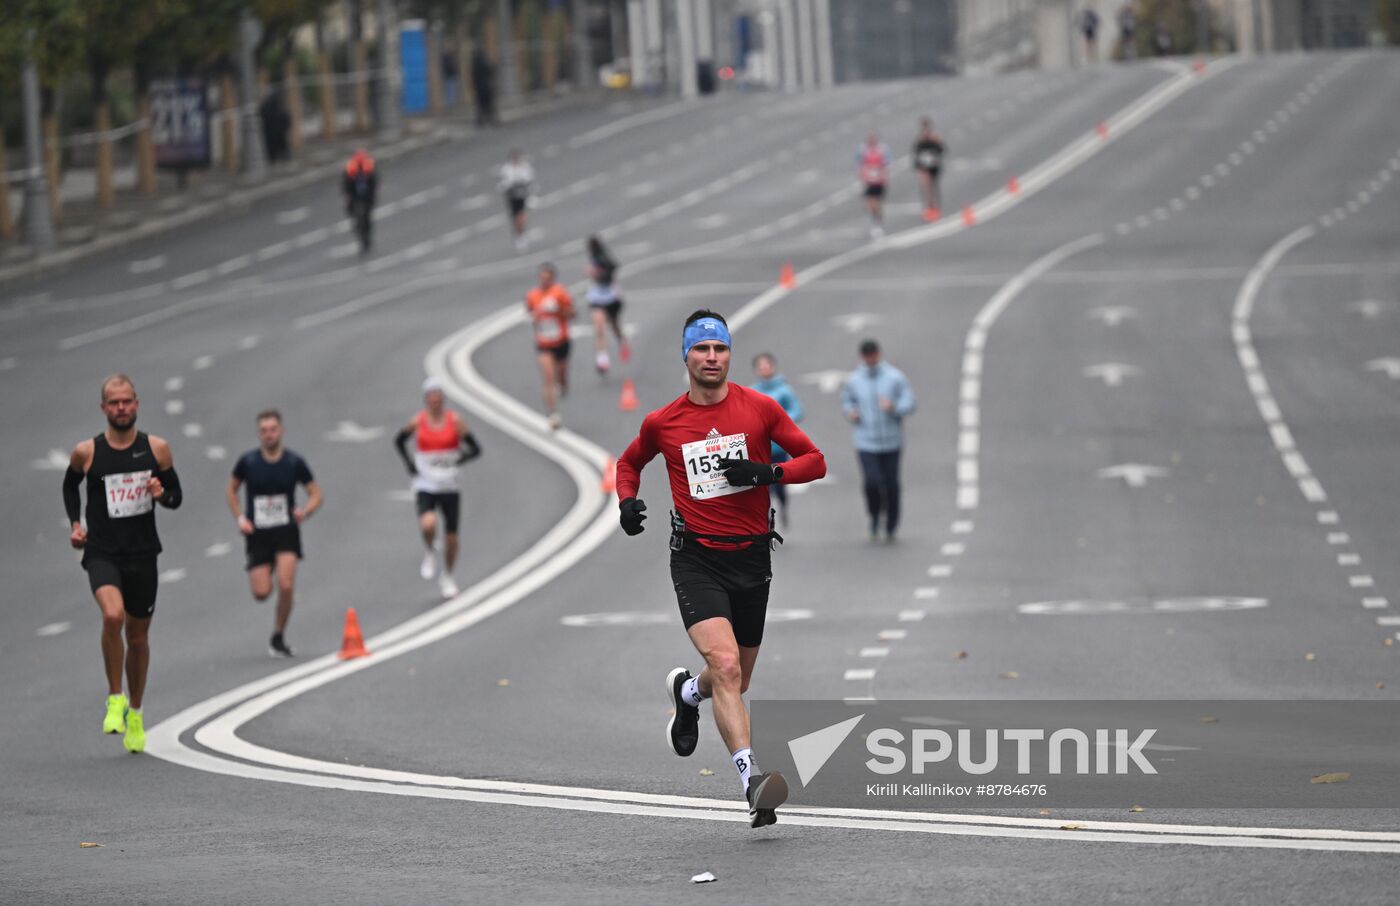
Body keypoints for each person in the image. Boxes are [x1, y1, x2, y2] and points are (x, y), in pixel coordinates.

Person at [615, 310, 826, 828]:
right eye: (702, 350)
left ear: (729, 354)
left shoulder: (759, 409)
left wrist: (766, 471)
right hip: (697, 558)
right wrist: (627, 502)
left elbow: (815, 459)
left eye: (720, 349)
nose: (712, 358)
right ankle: (752, 782)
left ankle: (687, 694)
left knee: (738, 678)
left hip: (752, 557)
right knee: (727, 666)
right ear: (685, 357)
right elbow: (628, 464)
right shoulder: (662, 423)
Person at [62, 374, 183, 754]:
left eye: (127, 401)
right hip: (102, 552)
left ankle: (136, 711)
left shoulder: (156, 449)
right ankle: (115, 697)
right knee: (112, 616)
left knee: (139, 638)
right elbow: (70, 486)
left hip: (143, 554)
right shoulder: (88, 452)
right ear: (103, 408)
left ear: (137, 404)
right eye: (114, 402)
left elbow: (177, 496)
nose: (121, 408)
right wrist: (76, 524)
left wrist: (162, 495)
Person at [227, 410, 323, 657]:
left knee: (286, 584)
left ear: (281, 431)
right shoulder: (248, 462)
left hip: (286, 531)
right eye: (264, 431)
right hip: (258, 534)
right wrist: (240, 518)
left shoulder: (293, 462)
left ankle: (278, 635)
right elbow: (231, 490)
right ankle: (266, 565)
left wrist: (305, 512)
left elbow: (316, 494)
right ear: (259, 434)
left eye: (272, 430)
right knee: (262, 593)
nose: (268, 435)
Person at [394, 378, 482, 598]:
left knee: (452, 536)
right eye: (431, 399)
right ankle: (430, 550)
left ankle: (448, 576)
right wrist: (410, 465)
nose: (435, 402)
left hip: (449, 485)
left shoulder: (455, 421)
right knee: (428, 523)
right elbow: (399, 440)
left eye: (438, 398)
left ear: (442, 400)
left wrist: (458, 459)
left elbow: (475, 448)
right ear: (426, 400)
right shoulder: (418, 421)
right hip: (426, 484)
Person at [841, 339, 916, 543]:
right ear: (862, 357)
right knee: (872, 482)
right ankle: (874, 516)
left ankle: (891, 525)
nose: (870, 359)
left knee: (892, 484)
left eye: (873, 354)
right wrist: (851, 413)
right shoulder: (854, 380)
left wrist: (894, 407)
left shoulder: (895, 377)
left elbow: (910, 401)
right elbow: (847, 401)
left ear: (878, 354)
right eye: (867, 355)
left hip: (892, 441)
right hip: (866, 441)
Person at [750, 353, 805, 528]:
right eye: (761, 366)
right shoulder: (752, 392)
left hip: (779, 448)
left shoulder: (784, 390)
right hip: (759, 448)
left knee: (779, 485)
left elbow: (798, 411)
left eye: (767, 365)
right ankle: (764, 521)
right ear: (757, 370)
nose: (764, 369)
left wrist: (779, 420)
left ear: (773, 367)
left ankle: (782, 506)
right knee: (762, 487)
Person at [525, 262, 574, 430]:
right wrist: (534, 315)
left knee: (561, 376)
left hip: (561, 341)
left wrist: (558, 309)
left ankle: (564, 384)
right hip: (544, 343)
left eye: (548, 278)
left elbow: (572, 314)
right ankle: (553, 414)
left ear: (553, 278)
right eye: (542, 278)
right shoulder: (532, 295)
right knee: (548, 378)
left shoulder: (560, 293)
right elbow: (529, 312)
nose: (544, 281)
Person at [585, 235, 629, 374]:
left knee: (614, 325)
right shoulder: (593, 259)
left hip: (610, 297)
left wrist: (597, 274)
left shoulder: (605, 259)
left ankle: (622, 341)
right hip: (597, 297)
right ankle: (602, 359)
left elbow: (611, 271)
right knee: (599, 327)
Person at [856, 132, 892, 238]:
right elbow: (859, 165)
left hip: (879, 180)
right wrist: (862, 177)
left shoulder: (882, 150)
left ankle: (878, 221)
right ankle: (875, 222)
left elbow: (887, 164)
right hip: (869, 181)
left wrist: (885, 176)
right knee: (871, 203)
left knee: (878, 203)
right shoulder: (862, 150)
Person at [343, 148, 378, 255]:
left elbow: (374, 184)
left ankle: (365, 237)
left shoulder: (369, 168)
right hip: (355, 196)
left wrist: (372, 196)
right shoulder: (350, 169)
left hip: (366, 197)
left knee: (366, 218)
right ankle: (360, 231)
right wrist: (347, 197)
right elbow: (346, 185)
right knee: (356, 216)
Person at [500, 149, 535, 252]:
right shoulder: (506, 169)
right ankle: (518, 236)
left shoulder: (524, 167)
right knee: (515, 219)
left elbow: (529, 180)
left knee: (521, 216)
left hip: (522, 195)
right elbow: (504, 184)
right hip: (512, 196)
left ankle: (522, 236)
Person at [912, 117, 946, 222]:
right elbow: (916, 152)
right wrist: (917, 166)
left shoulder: (934, 137)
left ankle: (936, 209)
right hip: (924, 166)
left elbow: (941, 150)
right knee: (926, 188)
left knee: (934, 186)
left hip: (934, 165)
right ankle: (928, 209)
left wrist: (936, 141)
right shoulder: (919, 139)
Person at [471, 46, 497, 126]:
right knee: (489, 104)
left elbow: (473, 75)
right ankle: (491, 119)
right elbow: (491, 71)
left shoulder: (475, 62)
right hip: (486, 86)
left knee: (480, 105)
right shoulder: (485, 61)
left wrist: (474, 86)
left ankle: (480, 121)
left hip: (479, 87)